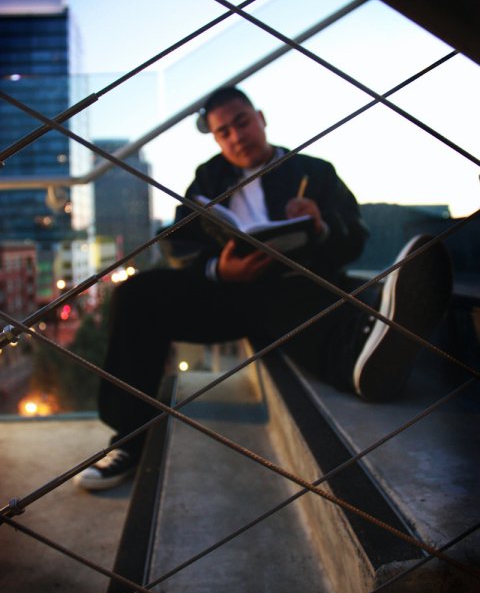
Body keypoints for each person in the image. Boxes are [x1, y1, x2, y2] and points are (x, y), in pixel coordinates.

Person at [74, 86, 452, 491]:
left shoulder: (313, 172)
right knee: (136, 294)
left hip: (294, 287)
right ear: (216, 139)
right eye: (223, 132)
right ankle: (129, 439)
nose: (236, 136)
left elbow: (356, 237)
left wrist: (322, 226)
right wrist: (218, 268)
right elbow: (179, 243)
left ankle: (364, 362)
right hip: (227, 294)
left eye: (242, 123)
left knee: (290, 295)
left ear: (261, 118)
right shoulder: (208, 178)